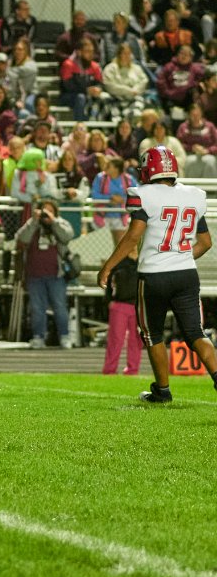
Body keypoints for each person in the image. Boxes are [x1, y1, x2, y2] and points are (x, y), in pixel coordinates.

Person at [97, 145, 217, 403]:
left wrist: (108, 266)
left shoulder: (143, 194)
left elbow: (133, 237)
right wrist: (180, 256)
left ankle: (162, 391)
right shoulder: (193, 195)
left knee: (152, 334)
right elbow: (206, 243)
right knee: (196, 333)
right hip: (186, 274)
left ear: (148, 170)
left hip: (154, 276)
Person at [16, 198, 74, 349]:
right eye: (44, 210)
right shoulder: (33, 224)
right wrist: (34, 221)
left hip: (56, 275)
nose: (46, 213)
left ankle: (64, 336)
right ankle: (38, 337)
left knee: (60, 307)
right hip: (34, 275)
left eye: (50, 210)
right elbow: (22, 238)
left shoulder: (60, 223)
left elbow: (67, 236)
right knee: (37, 308)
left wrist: (53, 221)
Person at [100, 252, 142, 376]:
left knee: (136, 339)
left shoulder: (144, 260)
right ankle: (110, 369)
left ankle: (133, 369)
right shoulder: (118, 261)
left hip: (138, 306)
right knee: (116, 339)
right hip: (119, 304)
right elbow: (109, 283)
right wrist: (109, 301)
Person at [59, 37, 106, 121]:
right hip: (69, 96)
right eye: (87, 51)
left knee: (104, 98)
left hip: (88, 96)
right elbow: (68, 87)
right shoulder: (68, 65)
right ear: (79, 52)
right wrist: (86, 90)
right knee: (81, 97)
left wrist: (98, 89)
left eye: (92, 51)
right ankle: (80, 124)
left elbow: (100, 83)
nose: (91, 54)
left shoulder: (95, 66)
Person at [90, 157, 134, 244]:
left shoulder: (128, 179)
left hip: (121, 217)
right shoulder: (100, 178)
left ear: (116, 169)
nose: (105, 167)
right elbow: (94, 195)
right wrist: (110, 198)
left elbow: (137, 195)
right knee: (103, 246)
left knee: (120, 245)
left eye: (108, 166)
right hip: (102, 217)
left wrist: (122, 199)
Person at [102, 42, 150, 118]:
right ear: (119, 54)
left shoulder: (137, 68)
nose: (127, 56)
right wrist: (128, 90)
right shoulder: (110, 68)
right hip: (115, 99)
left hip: (134, 98)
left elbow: (144, 81)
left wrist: (136, 89)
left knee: (138, 110)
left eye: (129, 53)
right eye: (124, 53)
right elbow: (109, 85)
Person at [157, 45, 205, 112]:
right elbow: (160, 81)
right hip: (171, 98)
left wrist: (194, 84)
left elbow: (203, 78)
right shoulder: (169, 67)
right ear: (177, 54)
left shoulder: (195, 68)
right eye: (182, 53)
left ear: (191, 57)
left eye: (186, 55)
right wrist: (168, 93)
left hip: (188, 100)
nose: (183, 56)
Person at [177, 102, 217, 178]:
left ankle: (210, 186)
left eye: (197, 114)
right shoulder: (183, 127)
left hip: (208, 154)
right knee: (190, 161)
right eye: (193, 114)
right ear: (189, 114)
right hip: (189, 154)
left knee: (210, 161)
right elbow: (178, 144)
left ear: (201, 114)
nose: (195, 117)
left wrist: (207, 150)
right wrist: (191, 148)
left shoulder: (210, 126)